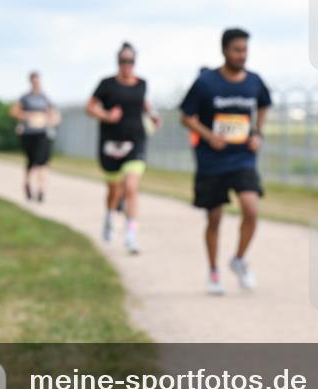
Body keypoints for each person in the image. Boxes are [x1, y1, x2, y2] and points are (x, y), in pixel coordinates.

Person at [180, 28, 271, 296]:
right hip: (212, 160)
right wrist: (209, 136)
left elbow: (264, 104)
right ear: (224, 51)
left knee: (251, 210)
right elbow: (186, 116)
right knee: (215, 218)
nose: (242, 55)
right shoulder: (206, 82)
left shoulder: (254, 81)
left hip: (243, 157)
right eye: (237, 50)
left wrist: (258, 132)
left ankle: (239, 259)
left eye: (245, 50)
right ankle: (213, 271)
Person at [86, 42, 162, 254]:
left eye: (130, 61)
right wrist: (106, 115)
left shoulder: (142, 84)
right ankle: (109, 216)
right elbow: (90, 107)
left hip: (135, 140)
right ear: (117, 62)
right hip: (110, 142)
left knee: (130, 187)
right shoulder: (107, 84)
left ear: (135, 62)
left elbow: (143, 103)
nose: (126, 65)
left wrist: (153, 115)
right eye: (123, 61)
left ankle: (130, 236)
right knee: (114, 190)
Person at [10, 71, 60, 202]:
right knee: (31, 162)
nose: (36, 83)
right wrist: (28, 116)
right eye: (34, 81)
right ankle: (28, 184)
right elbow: (14, 112)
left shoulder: (45, 98)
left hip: (42, 133)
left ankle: (41, 190)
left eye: (38, 80)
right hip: (28, 134)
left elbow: (54, 114)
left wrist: (50, 120)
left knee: (43, 162)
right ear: (30, 81)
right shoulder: (25, 98)